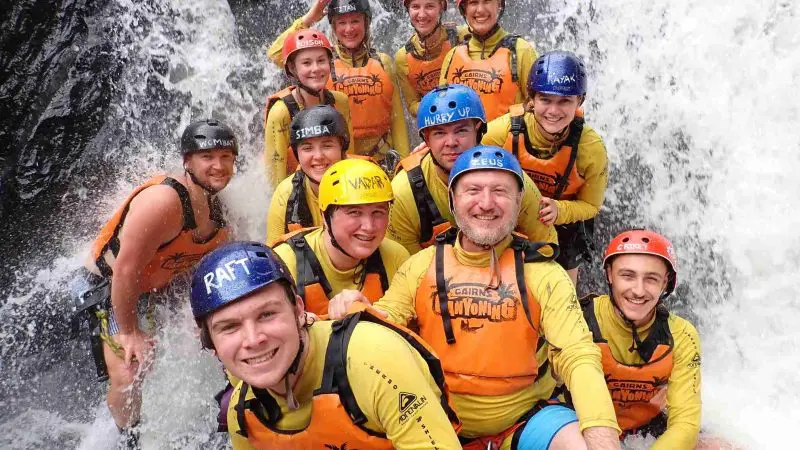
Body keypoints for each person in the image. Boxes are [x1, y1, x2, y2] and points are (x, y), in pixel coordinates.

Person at [329, 147, 622, 449]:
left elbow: (578, 356)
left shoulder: (545, 274)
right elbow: (385, 324)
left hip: (525, 419)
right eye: (473, 190)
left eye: (500, 191)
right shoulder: (421, 265)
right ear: (453, 200)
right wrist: (355, 307)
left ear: (519, 202)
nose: (486, 203)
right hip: (437, 419)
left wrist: (602, 436)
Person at [188, 241, 463, 449]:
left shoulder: (374, 360)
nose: (253, 339)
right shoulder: (242, 414)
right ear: (211, 343)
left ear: (298, 309)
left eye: (267, 314)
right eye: (230, 327)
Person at [70, 119, 236, 446]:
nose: (217, 166)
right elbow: (126, 270)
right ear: (187, 161)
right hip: (109, 286)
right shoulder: (164, 202)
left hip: (164, 283)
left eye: (226, 157)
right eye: (207, 157)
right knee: (130, 371)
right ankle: (128, 441)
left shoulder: (221, 209)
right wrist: (129, 332)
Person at [483, 50, 608, 285]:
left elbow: (592, 205)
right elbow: (466, 152)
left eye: (565, 101)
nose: (553, 111)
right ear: (531, 99)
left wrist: (559, 211)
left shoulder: (590, 148)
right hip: (512, 217)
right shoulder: (504, 131)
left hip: (563, 225)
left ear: (579, 101)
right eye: (545, 100)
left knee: (564, 290)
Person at [389, 83, 557, 255]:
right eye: (439, 133)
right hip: (437, 277)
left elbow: (547, 247)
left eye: (461, 131)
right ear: (426, 139)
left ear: (478, 131)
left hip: (505, 275)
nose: (451, 142)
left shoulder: (512, 180)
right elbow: (404, 270)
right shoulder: (403, 192)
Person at [580, 230, 701, 448]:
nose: (638, 290)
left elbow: (685, 422)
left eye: (651, 279)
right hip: (582, 427)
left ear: (665, 283)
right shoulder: (579, 318)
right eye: (627, 276)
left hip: (647, 428)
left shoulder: (682, 335)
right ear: (609, 275)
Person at [267, 0, 410, 170]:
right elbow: (276, 55)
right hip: (336, 159)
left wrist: (404, 164)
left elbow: (397, 120)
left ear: (366, 23)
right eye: (342, 23)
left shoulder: (384, 62)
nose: (349, 29)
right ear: (333, 27)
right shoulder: (322, 64)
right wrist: (310, 18)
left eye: (355, 21)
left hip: (382, 160)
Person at [272, 158, 410, 316]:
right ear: (325, 216)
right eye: (354, 212)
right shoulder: (285, 264)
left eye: (378, 212)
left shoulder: (397, 258)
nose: (369, 226)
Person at [265, 27, 354, 187]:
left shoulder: (340, 102)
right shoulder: (281, 112)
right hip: (297, 192)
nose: (316, 68)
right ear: (292, 69)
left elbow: (348, 157)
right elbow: (275, 179)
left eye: (321, 61)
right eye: (306, 63)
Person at [439, 0, 538, 121]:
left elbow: (540, 107)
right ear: (464, 9)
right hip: (462, 139)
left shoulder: (521, 51)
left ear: (499, 6)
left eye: (487, 1)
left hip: (507, 139)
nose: (480, 10)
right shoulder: (452, 56)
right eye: (473, 2)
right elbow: (442, 113)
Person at [266, 104, 350, 245]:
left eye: (327, 145)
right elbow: (273, 254)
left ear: (342, 148)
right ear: (297, 154)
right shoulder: (285, 194)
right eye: (307, 148)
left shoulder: (367, 180)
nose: (318, 156)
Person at [395, 0, 467, 117]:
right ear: (408, 10)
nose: (422, 15)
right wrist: (438, 104)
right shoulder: (403, 57)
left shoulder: (462, 36)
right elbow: (413, 105)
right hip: (436, 121)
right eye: (415, 7)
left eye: (429, 6)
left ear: (441, 8)